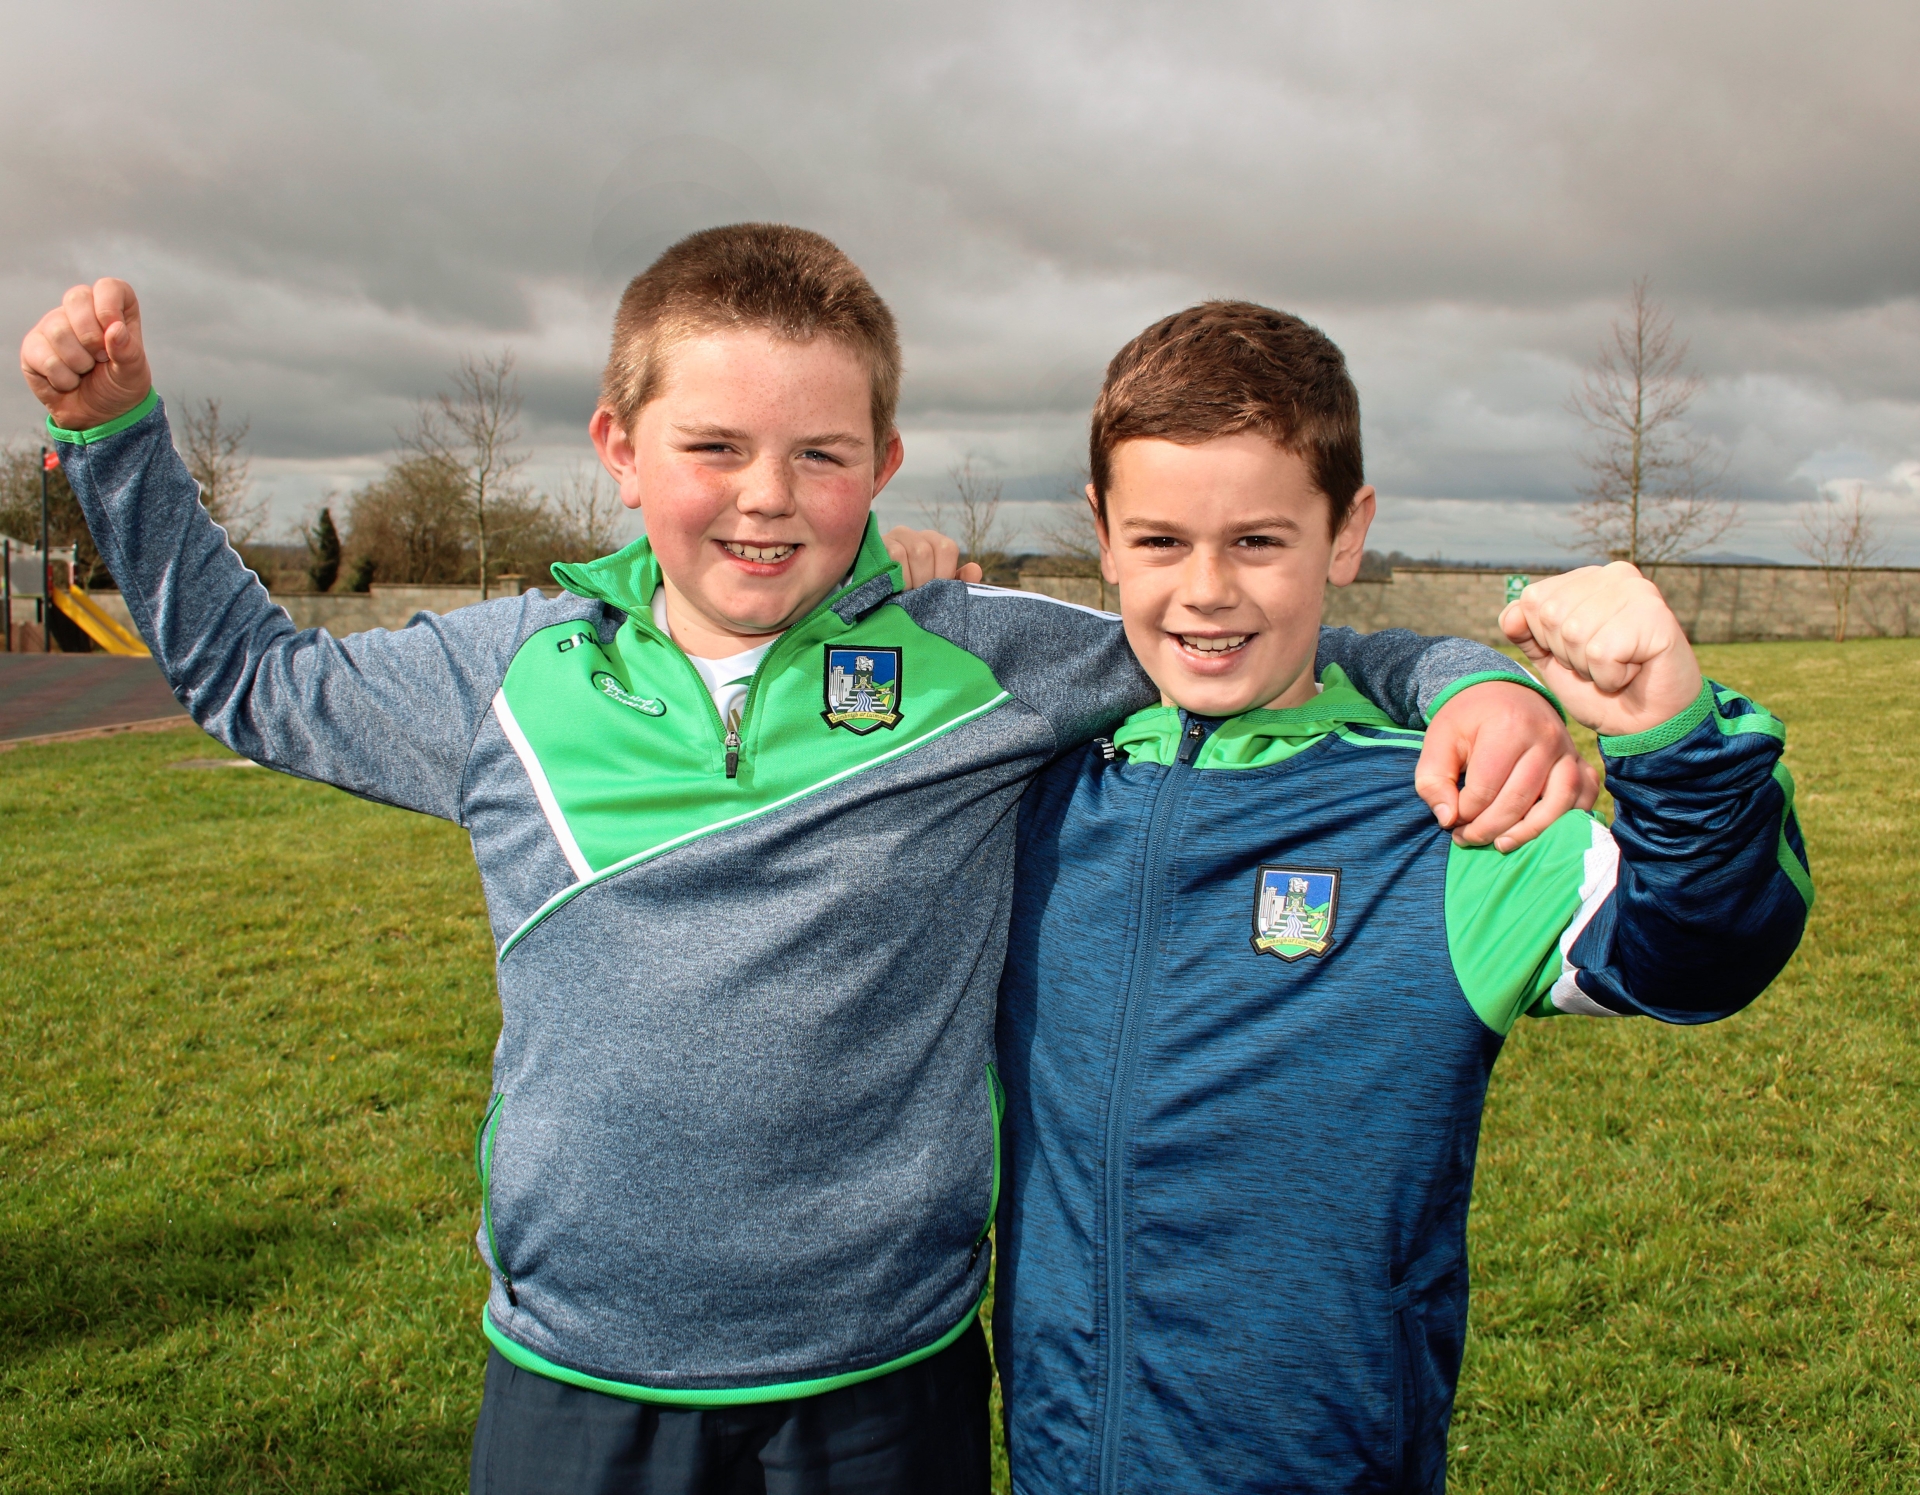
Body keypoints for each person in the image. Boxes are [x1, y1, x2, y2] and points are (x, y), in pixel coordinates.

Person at [22, 230, 1589, 1495]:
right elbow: (260, 681)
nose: (767, 495)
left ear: (883, 462)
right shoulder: (505, 677)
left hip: (887, 1376)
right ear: (618, 448)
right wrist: (117, 443)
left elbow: (1239, 623)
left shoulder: (983, 659)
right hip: (579, 1368)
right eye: (714, 445)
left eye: (820, 454)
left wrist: (1469, 679)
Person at [993, 300, 1812, 1494]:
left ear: (1348, 533)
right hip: (1058, 1454)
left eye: (1259, 541)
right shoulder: (1038, 788)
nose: (1207, 590)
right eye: (1161, 540)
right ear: (1103, 535)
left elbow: (1701, 950)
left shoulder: (1445, 807)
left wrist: (1672, 739)